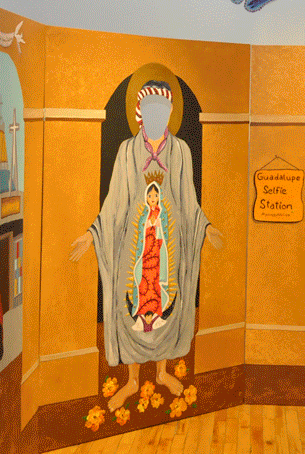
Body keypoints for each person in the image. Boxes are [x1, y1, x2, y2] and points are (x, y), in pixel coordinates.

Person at [70, 79, 221, 411]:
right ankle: (133, 380)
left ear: (169, 114)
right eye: (150, 111)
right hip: (134, 245)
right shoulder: (127, 151)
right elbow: (114, 202)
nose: (157, 117)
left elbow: (188, 199)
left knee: (164, 300)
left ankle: (163, 372)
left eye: (163, 111)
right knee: (136, 304)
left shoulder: (180, 151)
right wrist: (93, 233)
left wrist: (205, 227)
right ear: (139, 113)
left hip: (168, 244)